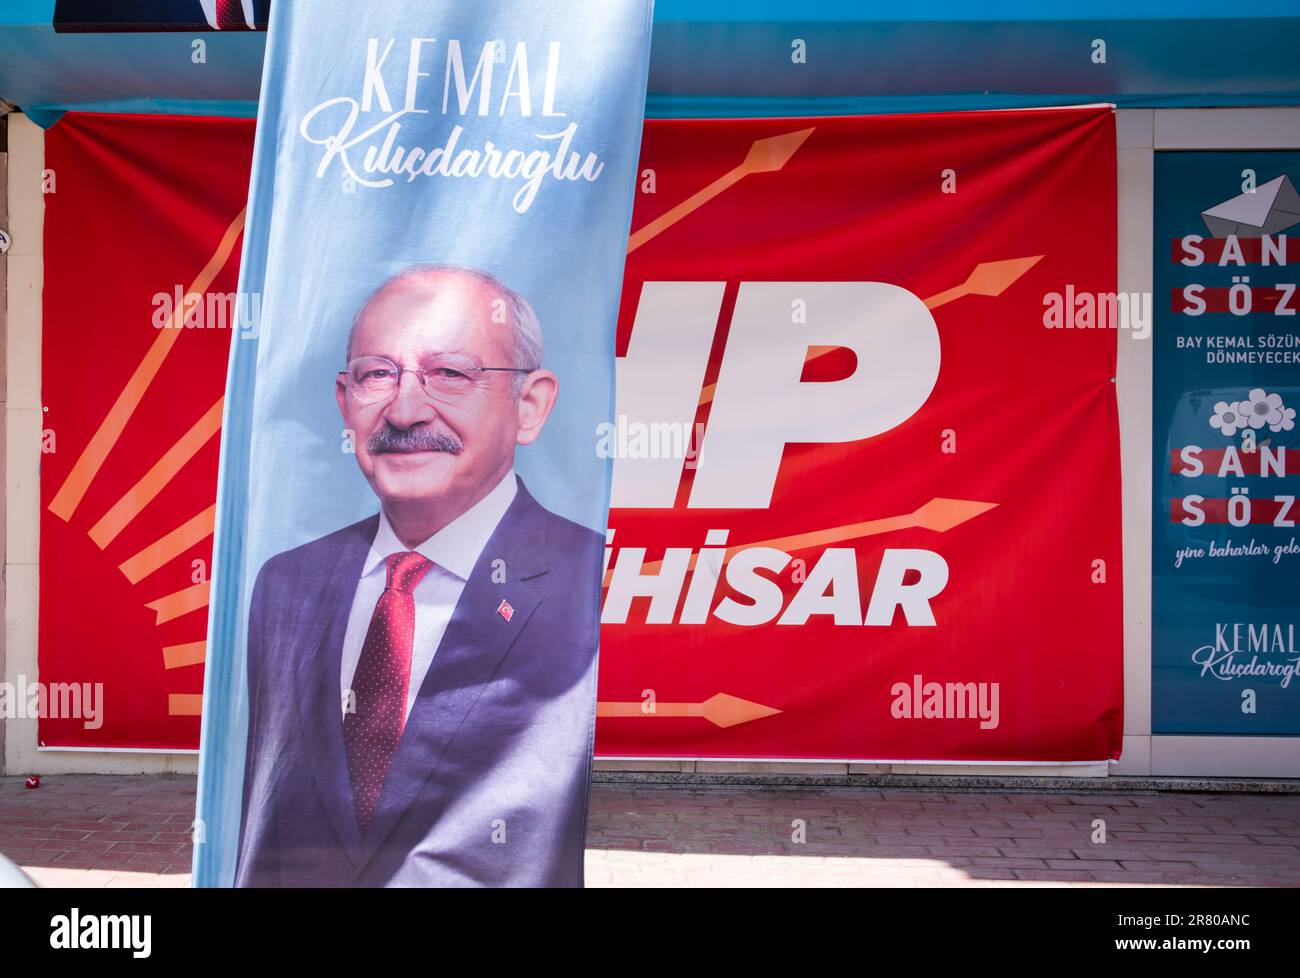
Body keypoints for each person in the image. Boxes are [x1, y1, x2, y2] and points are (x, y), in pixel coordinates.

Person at [235, 265, 603, 886]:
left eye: (451, 373)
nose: (404, 409)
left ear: (529, 406)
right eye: (377, 374)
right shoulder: (287, 584)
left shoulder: (589, 580)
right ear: (345, 402)